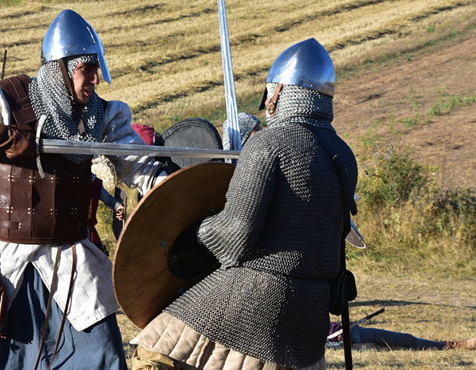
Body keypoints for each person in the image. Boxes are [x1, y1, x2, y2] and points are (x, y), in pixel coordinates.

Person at [0, 9, 166, 369]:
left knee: (101, 355)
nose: (96, 77)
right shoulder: (5, 98)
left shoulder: (102, 114)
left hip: (68, 260)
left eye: (96, 67)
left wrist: (166, 186)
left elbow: (136, 161)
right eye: (87, 68)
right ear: (62, 67)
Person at [130, 38, 357, 369]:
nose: (267, 102)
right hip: (311, 309)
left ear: (279, 93)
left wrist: (193, 230)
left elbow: (234, 236)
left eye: (270, 92)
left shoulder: (270, 143)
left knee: (152, 352)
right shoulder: (343, 155)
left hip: (255, 297)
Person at [328, 321, 476, 350]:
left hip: (353, 331)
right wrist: (354, 347)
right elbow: (325, 346)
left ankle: (451, 345)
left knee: (407, 339)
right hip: (347, 341)